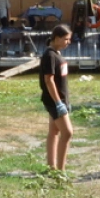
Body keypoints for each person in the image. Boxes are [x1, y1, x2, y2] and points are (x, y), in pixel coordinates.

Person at [40, 24, 74, 171]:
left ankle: (51, 167)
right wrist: (59, 103)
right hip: (54, 101)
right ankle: (61, 170)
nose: (68, 42)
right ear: (57, 38)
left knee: (54, 132)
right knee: (67, 133)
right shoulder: (50, 55)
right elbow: (49, 80)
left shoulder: (57, 53)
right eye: (66, 39)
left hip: (60, 99)